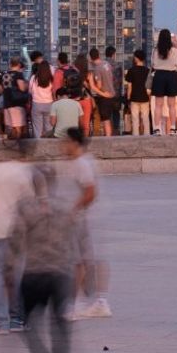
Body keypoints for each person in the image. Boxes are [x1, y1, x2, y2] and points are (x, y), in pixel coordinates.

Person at [10, 165, 79, 353]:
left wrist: (9, 268)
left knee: (27, 323)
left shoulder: (25, 207)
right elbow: (75, 244)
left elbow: (16, 241)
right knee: (60, 324)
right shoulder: (66, 207)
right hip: (61, 273)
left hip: (34, 273)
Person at [0, 139, 35, 333]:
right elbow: (29, 204)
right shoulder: (25, 173)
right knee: (16, 274)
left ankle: (1, 321)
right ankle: (17, 319)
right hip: (16, 229)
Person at [57, 128, 110, 319]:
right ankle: (96, 301)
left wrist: (73, 210)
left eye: (65, 142)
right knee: (86, 261)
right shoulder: (79, 162)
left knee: (77, 261)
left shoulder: (81, 164)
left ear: (74, 143)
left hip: (80, 220)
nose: (62, 146)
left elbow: (90, 192)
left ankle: (77, 303)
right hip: (81, 219)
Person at [151, 29, 177, 135]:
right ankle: (173, 128)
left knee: (158, 105)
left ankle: (157, 129)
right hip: (171, 76)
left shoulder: (155, 51)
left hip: (159, 76)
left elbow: (153, 64)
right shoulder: (174, 51)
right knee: (172, 105)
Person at [0, 57, 30, 139]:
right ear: (19, 65)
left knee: (12, 129)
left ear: (10, 64)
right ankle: (17, 145)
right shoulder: (18, 74)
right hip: (17, 104)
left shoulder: (4, 75)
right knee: (18, 129)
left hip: (7, 104)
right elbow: (22, 88)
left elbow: (0, 89)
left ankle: (12, 145)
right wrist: (27, 84)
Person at [124, 50, 152, 136]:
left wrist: (128, 98)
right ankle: (147, 135)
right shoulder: (148, 71)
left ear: (136, 58)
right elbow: (149, 87)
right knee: (145, 119)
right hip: (145, 98)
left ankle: (135, 136)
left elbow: (129, 86)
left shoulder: (131, 70)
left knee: (135, 119)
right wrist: (150, 99)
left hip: (134, 98)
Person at [29, 61, 55, 138]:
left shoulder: (33, 78)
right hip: (49, 104)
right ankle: (48, 143)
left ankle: (38, 143)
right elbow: (53, 92)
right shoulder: (51, 79)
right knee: (49, 127)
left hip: (36, 104)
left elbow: (30, 91)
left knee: (37, 128)